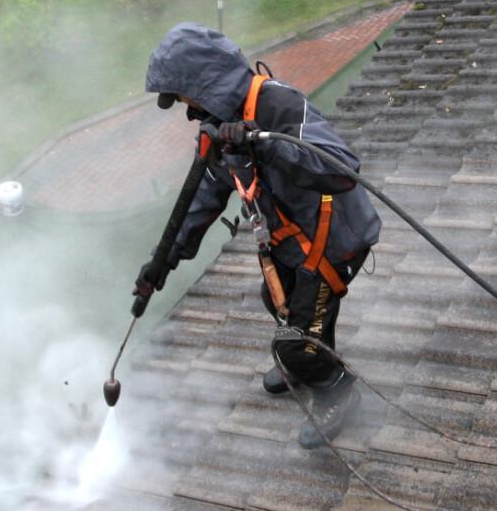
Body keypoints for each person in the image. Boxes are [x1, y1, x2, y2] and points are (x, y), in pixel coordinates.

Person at [133, 24, 381, 449]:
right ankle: (312, 362)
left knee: (296, 342)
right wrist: (161, 263)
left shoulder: (279, 105)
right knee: (280, 302)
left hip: (334, 239)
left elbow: (341, 170)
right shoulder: (221, 124)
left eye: (185, 96)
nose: (187, 109)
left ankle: (336, 390)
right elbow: (203, 197)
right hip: (290, 242)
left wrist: (264, 145)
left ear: (204, 83)